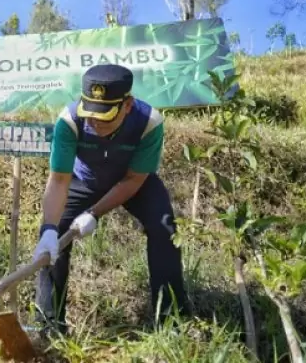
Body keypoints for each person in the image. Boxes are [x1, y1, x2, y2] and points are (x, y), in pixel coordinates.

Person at [31, 64, 191, 335]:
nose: (94, 123)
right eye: (89, 115)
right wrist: (48, 228)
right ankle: (49, 325)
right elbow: (59, 180)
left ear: (127, 105)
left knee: (165, 227)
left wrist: (94, 213)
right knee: (53, 236)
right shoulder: (68, 122)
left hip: (133, 181)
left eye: (104, 118)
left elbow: (134, 179)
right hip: (83, 180)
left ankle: (170, 320)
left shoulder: (149, 122)